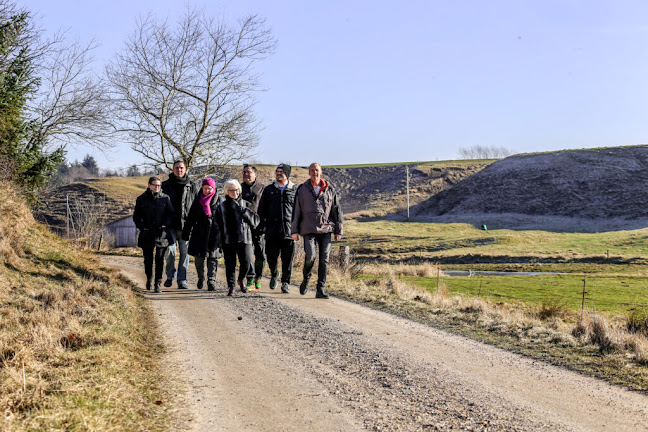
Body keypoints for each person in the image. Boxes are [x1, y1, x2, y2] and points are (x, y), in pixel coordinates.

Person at [291, 163, 343, 299]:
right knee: (311, 256)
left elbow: (337, 210)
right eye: (312, 170)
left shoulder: (329, 189)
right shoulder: (302, 189)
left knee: (324, 259)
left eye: (317, 170)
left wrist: (338, 230)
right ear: (309, 173)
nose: (315, 173)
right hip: (308, 229)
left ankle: (320, 288)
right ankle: (306, 279)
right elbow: (296, 210)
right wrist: (294, 230)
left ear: (321, 172)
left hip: (326, 228)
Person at [257, 164, 297, 293]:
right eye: (277, 171)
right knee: (271, 257)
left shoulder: (295, 190)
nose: (279, 173)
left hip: (289, 231)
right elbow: (261, 210)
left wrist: (299, 228)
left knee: (287, 260)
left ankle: (285, 282)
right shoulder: (269, 189)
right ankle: (274, 273)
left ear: (287, 174)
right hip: (272, 230)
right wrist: (261, 228)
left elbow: (300, 211)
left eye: (282, 172)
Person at [216, 179, 260, 296]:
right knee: (230, 264)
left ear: (239, 190)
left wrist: (244, 212)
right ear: (226, 192)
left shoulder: (246, 204)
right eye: (231, 190)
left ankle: (241, 279)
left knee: (246, 262)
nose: (234, 192)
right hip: (228, 239)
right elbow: (217, 224)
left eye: (236, 190)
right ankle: (231, 287)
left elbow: (256, 221)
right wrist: (218, 241)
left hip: (245, 238)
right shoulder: (222, 206)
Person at [133, 177, 175, 293]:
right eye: (154, 185)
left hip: (161, 234)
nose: (157, 187)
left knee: (160, 259)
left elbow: (171, 214)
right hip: (147, 233)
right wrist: (142, 227)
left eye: (159, 185)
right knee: (148, 259)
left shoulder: (165, 198)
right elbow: (136, 217)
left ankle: (158, 284)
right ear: (149, 185)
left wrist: (166, 224)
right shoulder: (141, 199)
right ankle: (149, 279)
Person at [162, 160, 199, 289]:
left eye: (182, 168)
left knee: (185, 253)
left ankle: (182, 280)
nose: (179, 170)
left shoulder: (192, 185)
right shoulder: (165, 185)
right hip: (169, 225)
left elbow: (197, 205)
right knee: (170, 251)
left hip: (186, 225)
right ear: (173, 169)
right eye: (177, 168)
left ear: (185, 169)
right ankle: (170, 275)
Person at [182, 178, 221, 291]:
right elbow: (191, 218)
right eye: (205, 188)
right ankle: (201, 277)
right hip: (199, 233)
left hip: (214, 234)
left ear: (214, 189)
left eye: (210, 189)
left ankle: (211, 281)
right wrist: (186, 233)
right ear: (202, 188)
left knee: (212, 259)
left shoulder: (219, 200)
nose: (208, 191)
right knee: (199, 259)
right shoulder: (197, 200)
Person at [241, 164, 266, 290]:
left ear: (255, 174)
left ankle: (258, 276)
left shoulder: (262, 188)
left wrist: (264, 225)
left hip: (259, 226)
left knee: (261, 254)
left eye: (249, 172)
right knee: (249, 255)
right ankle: (250, 278)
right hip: (244, 227)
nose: (246, 174)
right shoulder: (239, 188)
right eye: (244, 172)